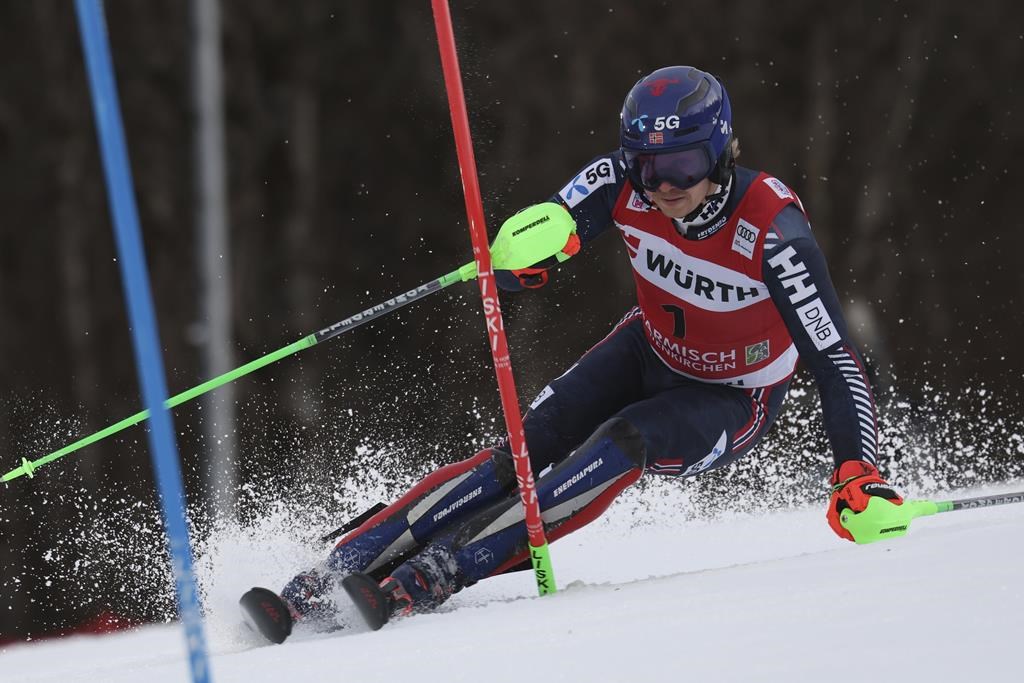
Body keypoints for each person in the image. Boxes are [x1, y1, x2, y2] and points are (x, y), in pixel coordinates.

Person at [240, 65, 902, 643]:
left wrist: (855, 470)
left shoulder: (773, 229)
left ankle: (441, 570)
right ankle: (329, 574)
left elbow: (835, 356)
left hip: (733, 396)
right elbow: (557, 219)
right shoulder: (624, 182)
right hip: (649, 347)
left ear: (723, 152)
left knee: (621, 440)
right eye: (648, 167)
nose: (664, 187)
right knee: (522, 450)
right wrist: (521, 254)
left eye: (683, 167)